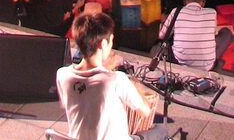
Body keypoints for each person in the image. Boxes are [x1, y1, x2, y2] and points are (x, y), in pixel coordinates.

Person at [56, 11, 167, 140]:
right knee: (161, 131)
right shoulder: (116, 80)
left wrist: (104, 70)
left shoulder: (62, 75)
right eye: (111, 42)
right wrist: (133, 82)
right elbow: (145, 111)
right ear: (103, 44)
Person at [157, 0, 233, 71]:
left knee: (166, 42)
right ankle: (213, 62)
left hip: (179, 62)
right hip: (207, 66)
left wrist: (164, 22)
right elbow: (213, 34)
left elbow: (162, 36)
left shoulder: (176, 11)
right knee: (227, 33)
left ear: (184, 1)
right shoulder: (212, 12)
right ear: (203, 2)